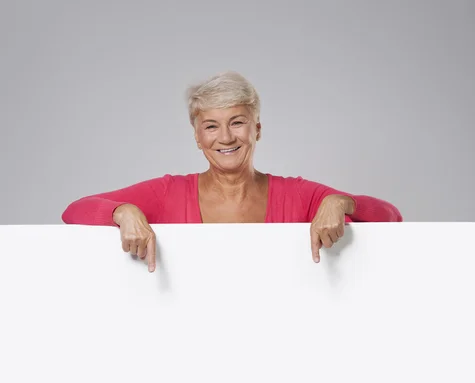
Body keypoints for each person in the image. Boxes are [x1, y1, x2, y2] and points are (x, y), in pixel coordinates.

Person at [62, 71, 402, 272]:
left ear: (257, 129)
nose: (225, 137)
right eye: (211, 126)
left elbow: (391, 217)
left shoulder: (296, 195)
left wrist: (342, 203)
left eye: (237, 122)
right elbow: (74, 211)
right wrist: (123, 211)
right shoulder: (168, 193)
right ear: (197, 137)